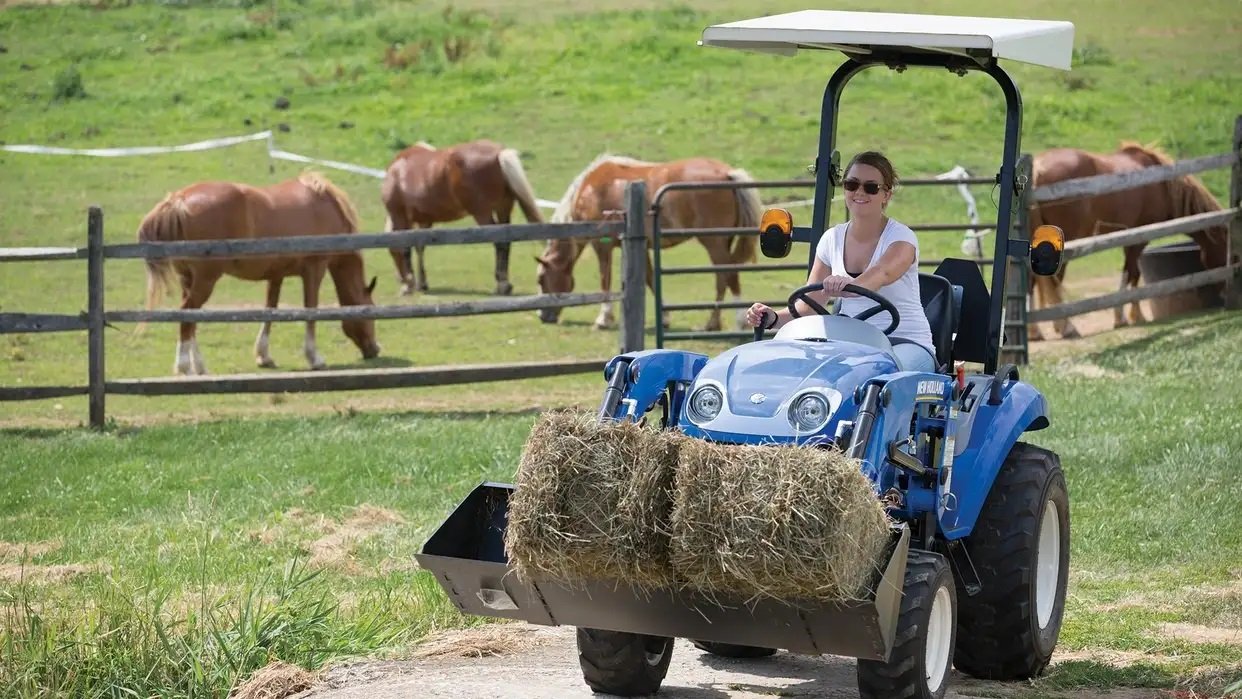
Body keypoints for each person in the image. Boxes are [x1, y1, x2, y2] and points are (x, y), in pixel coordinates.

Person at [744, 151, 937, 373]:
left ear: (886, 195)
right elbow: (809, 307)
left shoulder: (902, 239)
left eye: (871, 187)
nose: (859, 192)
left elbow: (881, 274)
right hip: (854, 346)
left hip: (904, 343)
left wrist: (849, 286)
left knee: (880, 372)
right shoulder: (831, 239)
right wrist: (772, 318)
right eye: (852, 185)